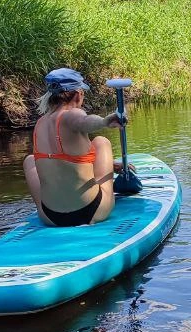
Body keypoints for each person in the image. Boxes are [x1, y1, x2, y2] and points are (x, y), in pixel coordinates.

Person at [23, 69, 124, 227]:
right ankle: (112, 183)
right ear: (78, 94)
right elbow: (84, 121)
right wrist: (104, 122)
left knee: (30, 161)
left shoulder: (40, 123)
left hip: (50, 217)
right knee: (101, 142)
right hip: (90, 211)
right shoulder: (71, 114)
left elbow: (64, 162)